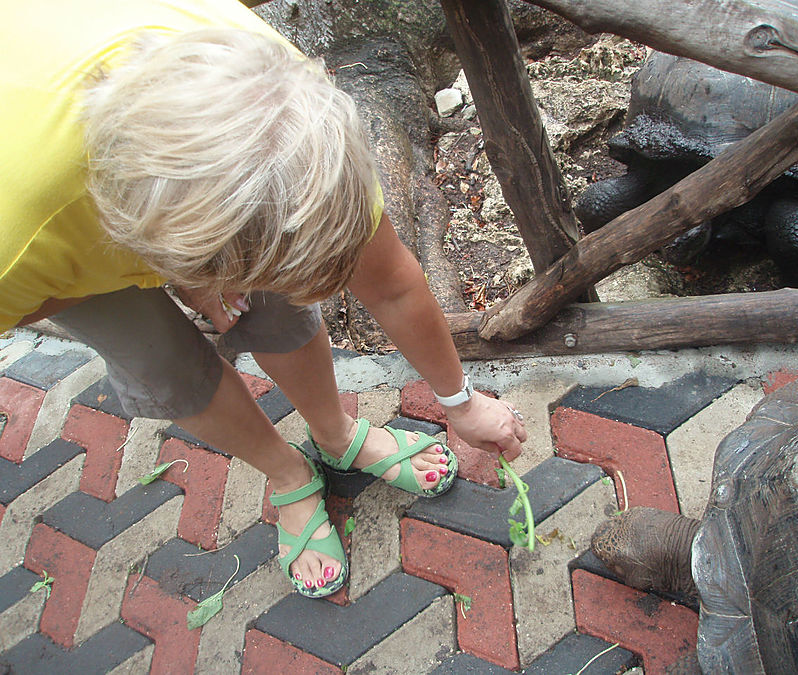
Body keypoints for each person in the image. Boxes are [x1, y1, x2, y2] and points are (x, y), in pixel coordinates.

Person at [2, 0, 527, 598]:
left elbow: (393, 282)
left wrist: (458, 401)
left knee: (276, 308)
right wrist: (184, 275)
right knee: (160, 361)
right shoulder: (15, 245)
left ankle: (335, 435)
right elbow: (33, 303)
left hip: (156, 178)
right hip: (54, 221)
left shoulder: (281, 106)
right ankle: (288, 475)